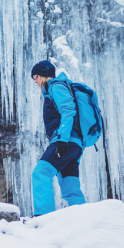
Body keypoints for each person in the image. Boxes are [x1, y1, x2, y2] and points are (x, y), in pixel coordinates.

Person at [30, 60, 86, 216]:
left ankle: (43, 216)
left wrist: (62, 139)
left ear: (45, 75)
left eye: (36, 76)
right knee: (70, 185)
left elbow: (68, 111)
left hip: (65, 141)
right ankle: (83, 219)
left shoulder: (56, 87)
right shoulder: (53, 89)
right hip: (74, 144)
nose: (34, 81)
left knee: (41, 172)